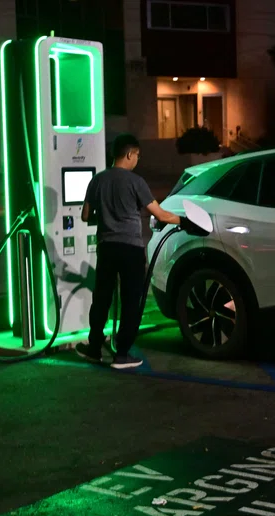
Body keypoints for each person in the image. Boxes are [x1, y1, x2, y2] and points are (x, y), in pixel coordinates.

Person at [75, 133, 183, 369]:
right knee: (131, 301)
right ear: (129, 154)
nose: (137, 160)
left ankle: (94, 348)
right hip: (131, 249)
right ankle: (122, 354)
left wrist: (106, 218)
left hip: (106, 247)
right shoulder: (136, 182)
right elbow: (161, 214)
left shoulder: (97, 181)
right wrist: (184, 221)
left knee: (102, 298)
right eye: (137, 156)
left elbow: (85, 216)